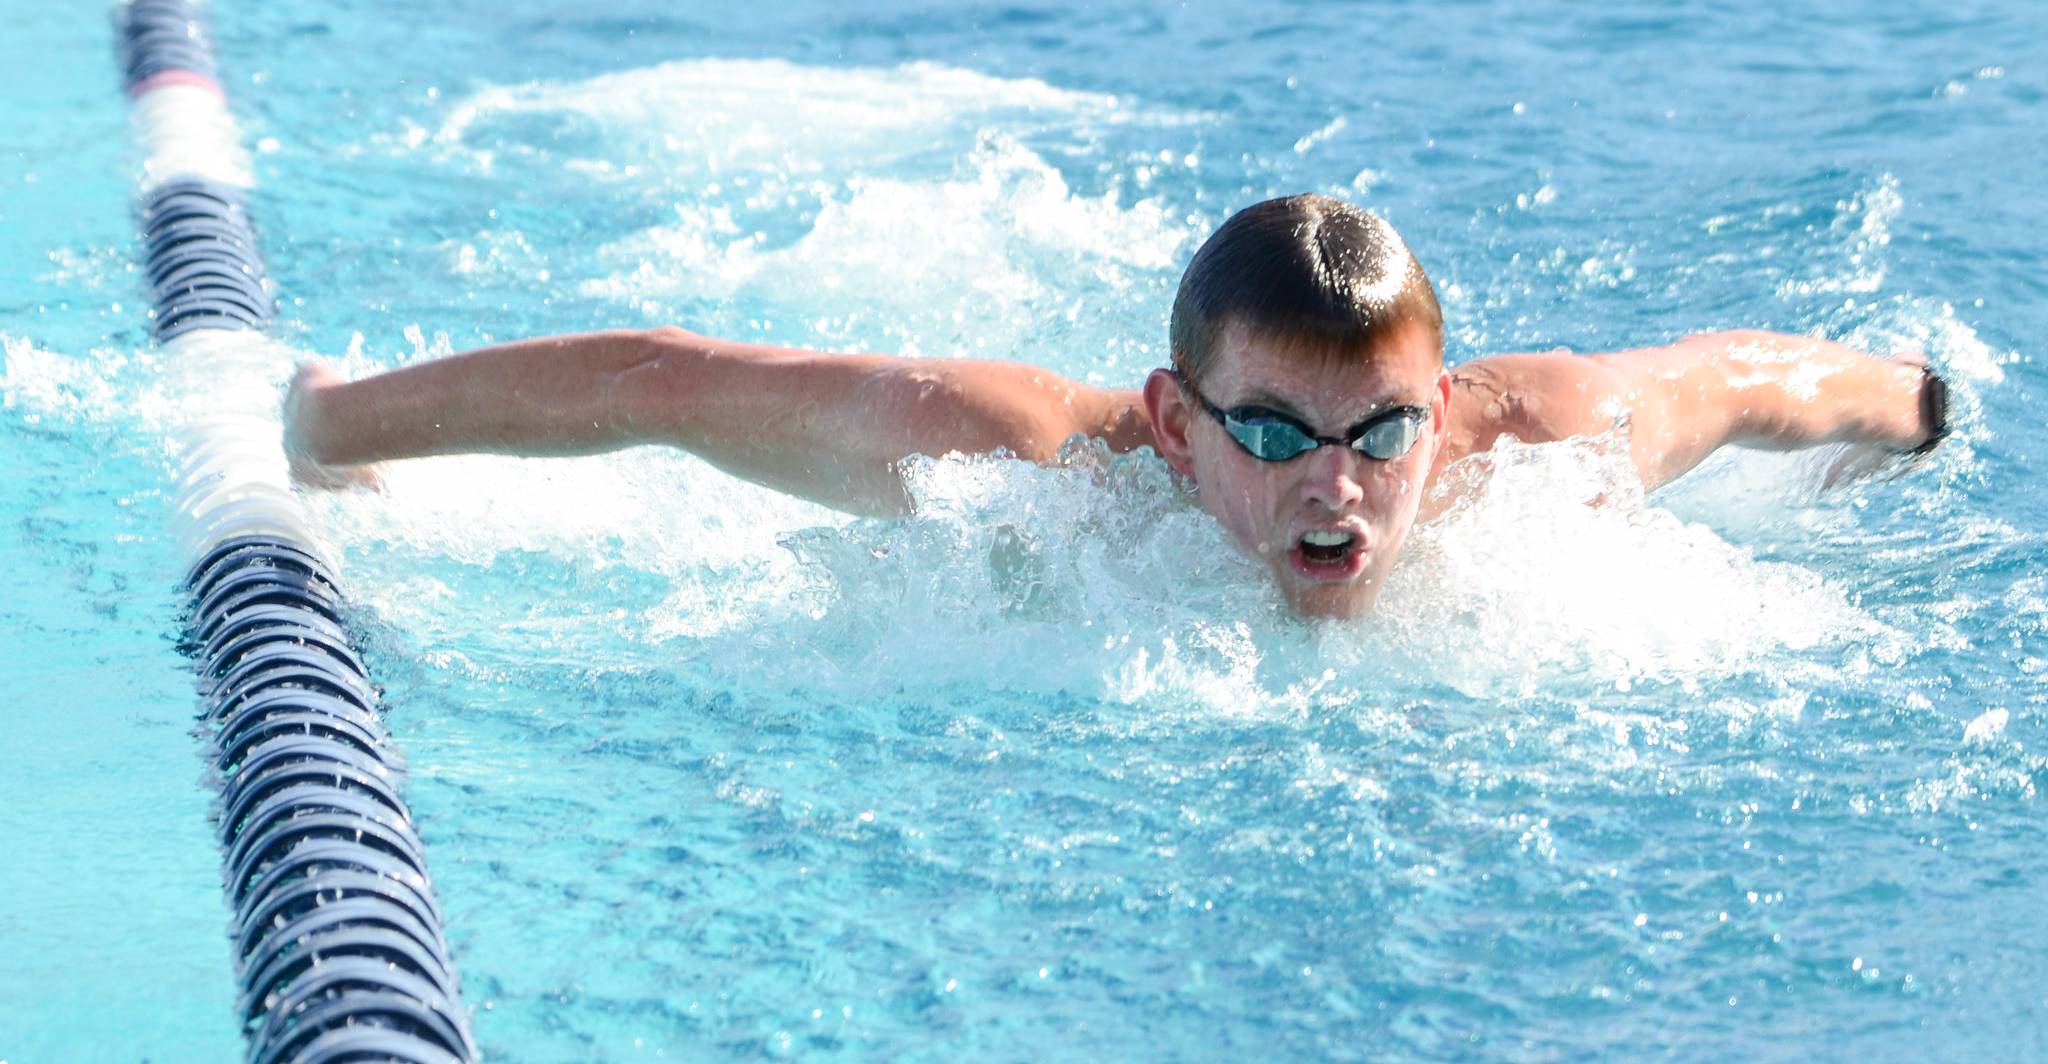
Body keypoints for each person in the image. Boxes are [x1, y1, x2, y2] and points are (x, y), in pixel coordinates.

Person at [281, 193, 1948, 619]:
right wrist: (332, 433)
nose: (1338, 489)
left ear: (1438, 407)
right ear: (1173, 423)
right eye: (1276, 435)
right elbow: (668, 383)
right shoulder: (1025, 467)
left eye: (1379, 432)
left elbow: (1744, 381)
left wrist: (1922, 407)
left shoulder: (1538, 450)